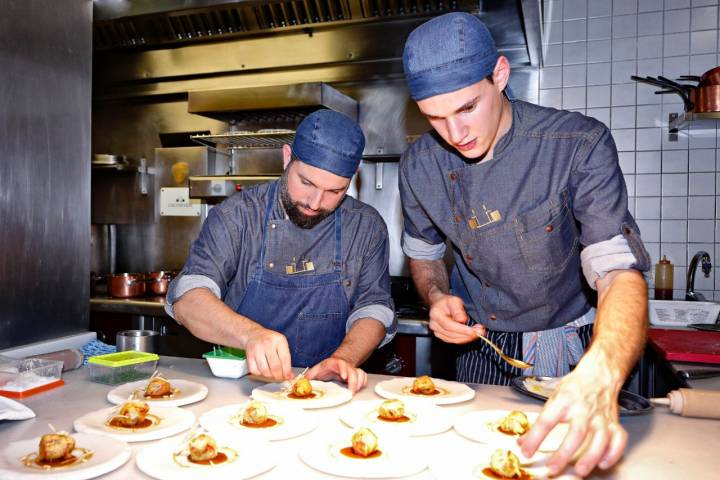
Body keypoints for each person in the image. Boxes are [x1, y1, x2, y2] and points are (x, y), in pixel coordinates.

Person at [400, 13, 650, 477]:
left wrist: (604, 368)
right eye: (435, 117)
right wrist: (436, 296)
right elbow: (424, 254)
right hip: (481, 349)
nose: (455, 135)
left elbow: (618, 271)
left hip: (577, 348)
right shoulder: (419, 165)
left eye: (467, 108)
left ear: (499, 75)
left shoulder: (576, 144)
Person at [165, 109, 396, 393]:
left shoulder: (366, 227)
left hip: (328, 392)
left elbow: (374, 308)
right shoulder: (237, 216)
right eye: (306, 183)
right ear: (287, 158)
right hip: (240, 390)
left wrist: (343, 360)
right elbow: (188, 298)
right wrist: (251, 335)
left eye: (335, 191)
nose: (315, 202)